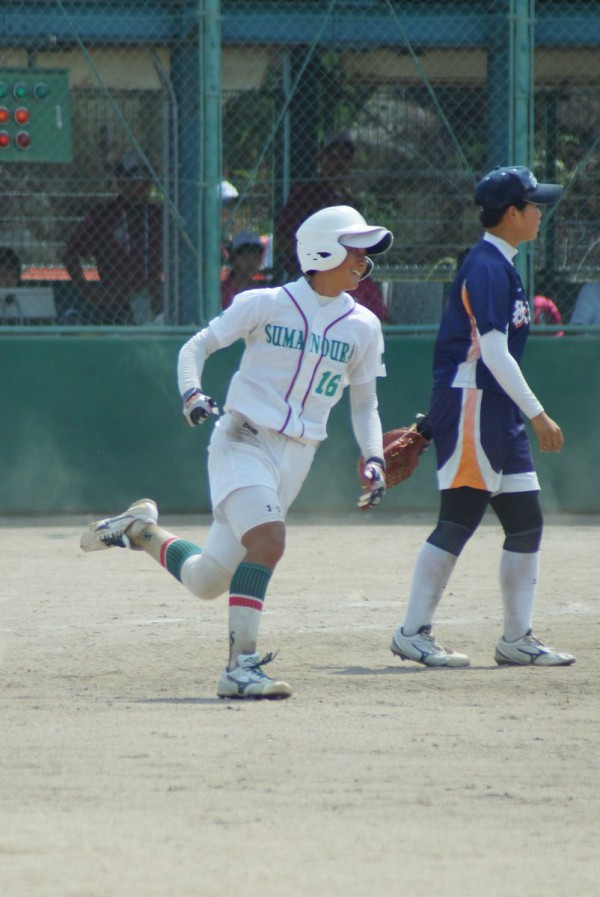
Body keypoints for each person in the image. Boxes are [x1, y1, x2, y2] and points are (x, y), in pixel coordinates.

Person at [80, 205, 394, 699]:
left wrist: (373, 456)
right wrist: (191, 393)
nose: (364, 259)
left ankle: (140, 531)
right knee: (268, 541)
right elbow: (196, 347)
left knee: (207, 580)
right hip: (242, 439)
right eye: (355, 248)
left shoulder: (364, 326)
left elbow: (365, 404)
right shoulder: (266, 302)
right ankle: (240, 668)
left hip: (298, 457)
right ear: (323, 250)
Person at [389, 165, 575, 668]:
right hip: (476, 402)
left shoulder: (501, 263)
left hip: (490, 407)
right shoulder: (487, 266)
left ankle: (516, 639)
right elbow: (489, 352)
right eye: (535, 205)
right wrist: (537, 414)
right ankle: (413, 632)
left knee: (524, 522)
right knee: (460, 517)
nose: (540, 213)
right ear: (512, 213)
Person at [275, 131, 391, 322]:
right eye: (333, 156)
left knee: (368, 299)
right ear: (320, 158)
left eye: (345, 157)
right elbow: (283, 237)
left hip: (347, 269)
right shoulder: (306, 193)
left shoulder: (350, 200)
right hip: (312, 271)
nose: (339, 163)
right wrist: (309, 263)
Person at [62, 152, 163, 324]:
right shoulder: (105, 215)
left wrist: (162, 291)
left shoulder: (158, 215)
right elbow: (70, 253)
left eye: (145, 179)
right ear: (120, 183)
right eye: (134, 180)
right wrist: (91, 294)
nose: (142, 185)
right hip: (116, 301)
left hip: (152, 298)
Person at [221, 231, 265, 309]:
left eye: (255, 254)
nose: (250, 260)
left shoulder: (261, 291)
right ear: (232, 258)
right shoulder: (222, 292)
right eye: (243, 254)